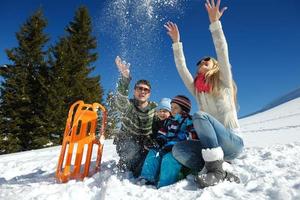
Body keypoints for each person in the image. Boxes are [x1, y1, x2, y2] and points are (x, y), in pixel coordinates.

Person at [164, 0, 244, 188]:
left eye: (206, 60)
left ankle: (215, 169)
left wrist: (215, 24)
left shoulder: (223, 79)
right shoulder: (198, 90)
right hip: (211, 146)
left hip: (232, 143)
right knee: (179, 149)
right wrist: (177, 44)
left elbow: (222, 51)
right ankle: (221, 168)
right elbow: (182, 69)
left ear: (214, 64)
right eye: (199, 62)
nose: (201, 62)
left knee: (200, 115)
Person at [113, 56, 159, 177]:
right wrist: (125, 78)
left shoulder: (154, 111)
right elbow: (121, 99)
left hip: (144, 145)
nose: (142, 91)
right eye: (140, 88)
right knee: (132, 160)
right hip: (126, 142)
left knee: (146, 165)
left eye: (146, 90)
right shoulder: (129, 106)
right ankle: (125, 165)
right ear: (134, 91)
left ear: (149, 94)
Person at [139, 95, 197, 188]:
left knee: (169, 158)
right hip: (166, 147)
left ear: (184, 109)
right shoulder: (168, 121)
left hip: (180, 149)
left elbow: (192, 135)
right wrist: (157, 141)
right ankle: (146, 178)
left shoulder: (189, 120)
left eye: (175, 108)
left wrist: (175, 142)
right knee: (153, 152)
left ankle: (165, 184)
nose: (172, 110)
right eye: (171, 107)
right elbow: (162, 134)